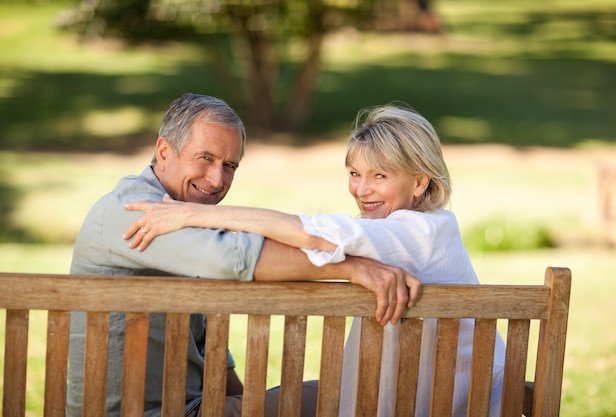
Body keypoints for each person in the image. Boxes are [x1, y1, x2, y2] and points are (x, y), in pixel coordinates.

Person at [124, 103, 507, 417]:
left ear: (421, 182)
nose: (362, 189)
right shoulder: (429, 227)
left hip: (437, 405)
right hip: (449, 399)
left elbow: (309, 233)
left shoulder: (414, 232)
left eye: (380, 175)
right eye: (355, 173)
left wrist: (192, 214)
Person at [67, 93, 420, 417]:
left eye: (230, 166)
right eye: (205, 158)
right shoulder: (136, 209)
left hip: (188, 404)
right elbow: (234, 258)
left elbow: (208, 351)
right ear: (163, 152)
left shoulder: (178, 213)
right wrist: (353, 268)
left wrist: (247, 400)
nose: (217, 179)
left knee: (343, 394)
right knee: (351, 398)